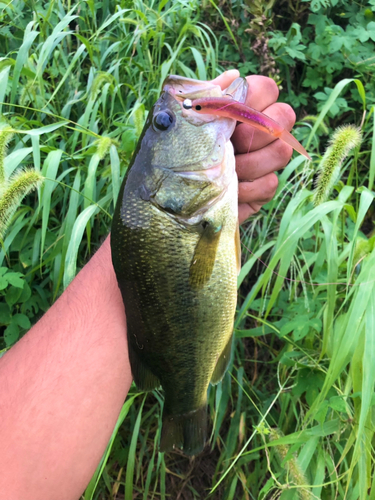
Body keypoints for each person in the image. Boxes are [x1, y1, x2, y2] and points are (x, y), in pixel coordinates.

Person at [0, 70, 296, 500]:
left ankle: (185, 403)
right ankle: (187, 406)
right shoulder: (170, 201)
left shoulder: (172, 200)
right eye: (164, 123)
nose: (171, 109)